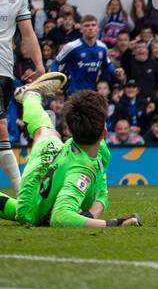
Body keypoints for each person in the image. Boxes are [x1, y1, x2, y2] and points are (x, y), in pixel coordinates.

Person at [0, 73, 140, 228]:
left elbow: (102, 187)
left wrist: (90, 215)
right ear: (104, 133)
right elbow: (60, 217)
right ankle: (33, 207)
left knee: (46, 132)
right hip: (32, 203)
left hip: (53, 153)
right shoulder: (80, 172)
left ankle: (31, 96)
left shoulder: (101, 150)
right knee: (28, 213)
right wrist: (114, 223)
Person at [0, 0, 44, 187]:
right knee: (2, 127)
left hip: (5, 69)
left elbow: (27, 33)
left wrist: (39, 66)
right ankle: (23, 194)